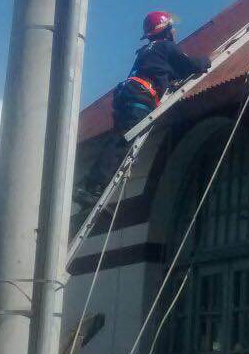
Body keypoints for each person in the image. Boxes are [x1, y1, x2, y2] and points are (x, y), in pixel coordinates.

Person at [75, 11, 211, 209]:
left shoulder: (147, 51)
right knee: (124, 142)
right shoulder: (166, 47)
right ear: (165, 30)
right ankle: (91, 188)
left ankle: (89, 185)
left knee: (118, 139)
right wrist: (206, 61)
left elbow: (164, 72)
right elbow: (189, 65)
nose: (175, 31)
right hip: (139, 98)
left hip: (127, 96)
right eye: (172, 28)